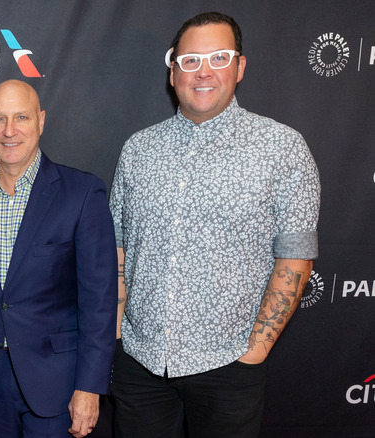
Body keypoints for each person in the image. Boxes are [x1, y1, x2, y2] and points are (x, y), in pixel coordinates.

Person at [109, 12, 321, 437]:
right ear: (173, 73)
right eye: (189, 61)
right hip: (139, 361)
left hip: (229, 366)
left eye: (219, 58)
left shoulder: (281, 147)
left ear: (240, 67)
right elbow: (119, 247)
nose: (203, 72)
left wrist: (254, 352)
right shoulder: (139, 149)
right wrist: (115, 334)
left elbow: (295, 256)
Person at [0, 79, 118, 438]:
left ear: (40, 121)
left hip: (58, 382)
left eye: (21, 117)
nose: (9, 131)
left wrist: (90, 387)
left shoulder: (82, 193)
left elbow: (99, 301)